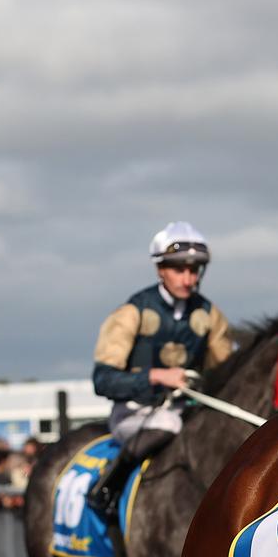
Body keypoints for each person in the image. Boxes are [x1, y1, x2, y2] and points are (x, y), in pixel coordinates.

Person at [86, 221, 232, 519]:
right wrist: (156, 376)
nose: (188, 279)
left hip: (186, 412)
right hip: (134, 413)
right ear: (160, 269)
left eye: (195, 270)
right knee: (168, 425)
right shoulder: (131, 313)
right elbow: (102, 381)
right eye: (180, 269)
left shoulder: (210, 315)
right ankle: (107, 487)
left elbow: (227, 372)